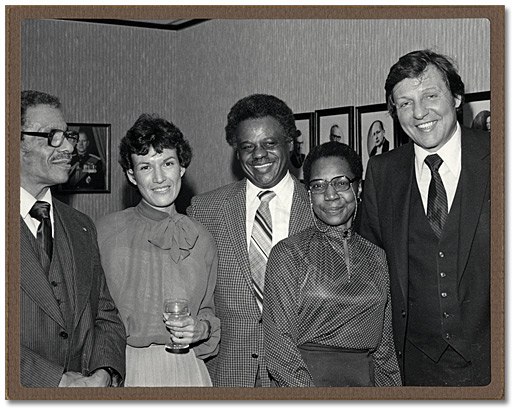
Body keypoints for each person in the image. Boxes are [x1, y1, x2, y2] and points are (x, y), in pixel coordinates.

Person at [360, 49, 490, 386]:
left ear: (457, 97)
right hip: (415, 370)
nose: (419, 113)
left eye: (430, 95)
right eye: (404, 103)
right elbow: (368, 274)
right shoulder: (381, 173)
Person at [187, 94, 314, 387]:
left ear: (290, 144)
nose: (259, 155)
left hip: (301, 375)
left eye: (270, 143)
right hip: (228, 375)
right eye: (247, 147)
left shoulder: (318, 206)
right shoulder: (206, 210)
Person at [263, 141, 401, 387]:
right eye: (318, 185)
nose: (330, 195)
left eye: (341, 183)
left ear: (358, 188)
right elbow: (279, 347)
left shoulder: (377, 256)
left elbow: (385, 348)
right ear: (309, 195)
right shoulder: (289, 253)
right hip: (306, 387)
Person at [96, 114, 220, 387]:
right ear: (131, 175)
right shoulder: (103, 233)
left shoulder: (202, 238)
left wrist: (200, 329)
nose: (160, 177)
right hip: (123, 370)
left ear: (182, 167)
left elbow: (208, 311)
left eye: (167, 163)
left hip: (188, 370)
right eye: (145, 167)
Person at [19, 90, 126, 387]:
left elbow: (105, 314)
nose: (68, 147)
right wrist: (55, 381)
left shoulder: (81, 226)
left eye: (67, 135)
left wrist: (104, 373)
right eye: (52, 136)